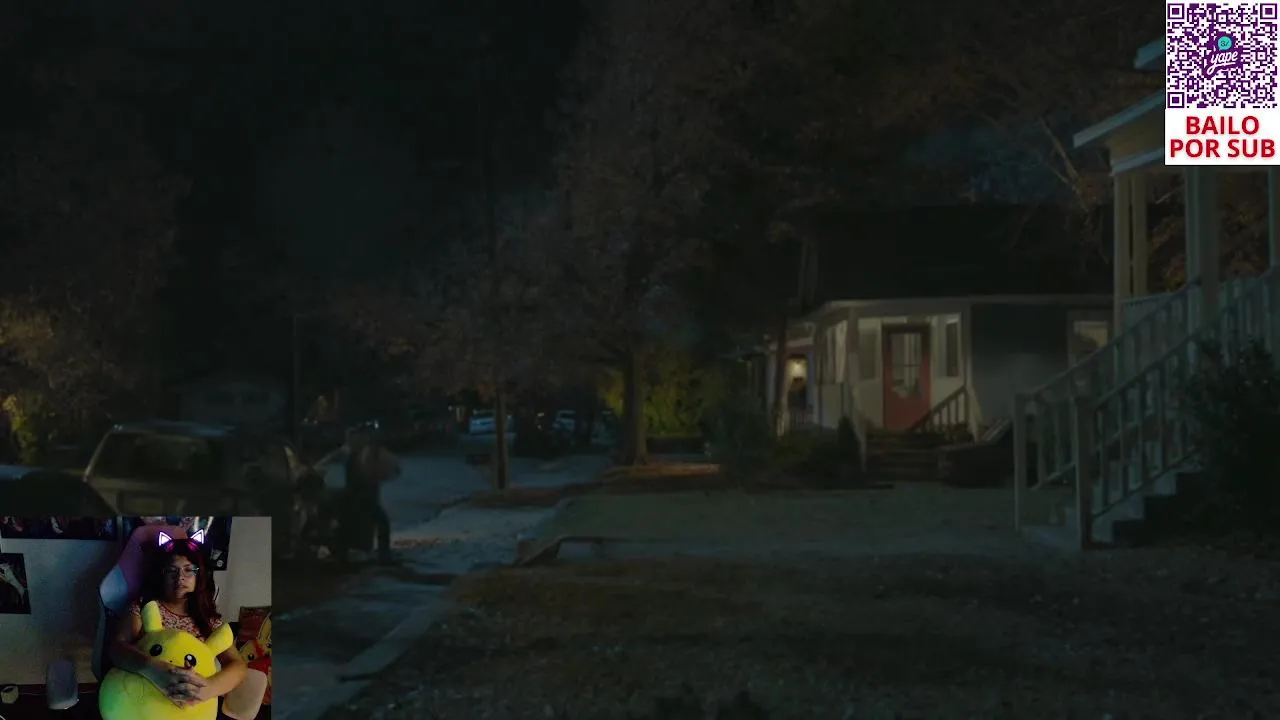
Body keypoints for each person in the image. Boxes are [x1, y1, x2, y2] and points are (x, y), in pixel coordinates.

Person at [107, 536, 248, 708]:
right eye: (172, 571)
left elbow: (238, 666)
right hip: (147, 698)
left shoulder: (208, 620)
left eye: (189, 570)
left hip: (192, 705)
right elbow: (117, 649)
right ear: (161, 575)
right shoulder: (146, 607)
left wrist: (209, 688)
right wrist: (154, 669)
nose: (180, 577)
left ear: (199, 576)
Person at [317, 423, 401, 564]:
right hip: (354, 496)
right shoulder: (348, 452)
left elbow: (394, 469)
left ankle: (381, 553)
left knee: (376, 522)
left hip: (365, 497)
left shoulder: (371, 453)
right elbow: (327, 461)